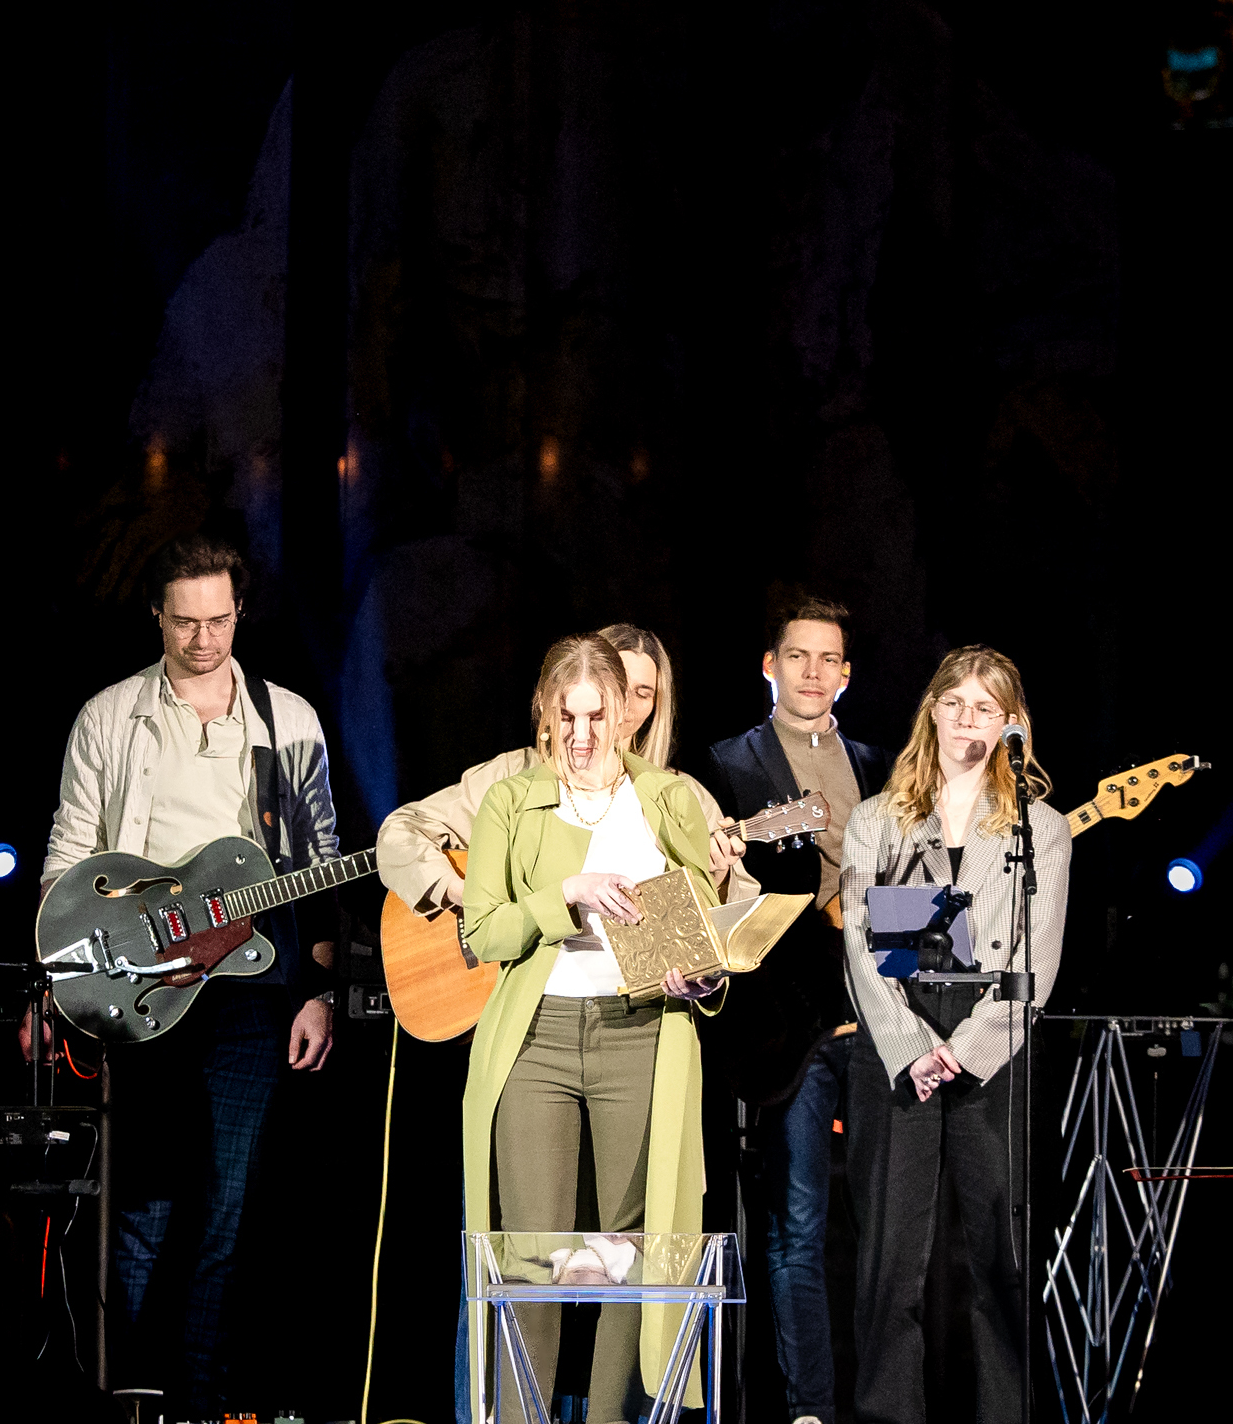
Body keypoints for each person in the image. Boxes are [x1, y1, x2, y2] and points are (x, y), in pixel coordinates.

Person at [40, 534, 341, 1412]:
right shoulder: (110, 716)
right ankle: (128, 1396)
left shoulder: (288, 720)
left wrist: (318, 988)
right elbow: (68, 856)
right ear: (157, 616)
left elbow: (318, 861)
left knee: (229, 1206)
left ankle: (203, 1401)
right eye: (185, 622)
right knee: (144, 1203)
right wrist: (64, 979)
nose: (204, 639)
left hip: (252, 981)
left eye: (219, 620)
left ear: (240, 612)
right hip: (142, 978)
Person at [461, 635, 728, 1424]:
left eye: (597, 716)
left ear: (625, 713)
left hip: (641, 1034)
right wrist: (567, 894)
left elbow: (705, 932)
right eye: (566, 716)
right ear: (544, 711)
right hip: (537, 1039)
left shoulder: (668, 798)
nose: (580, 735)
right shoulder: (511, 801)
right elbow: (482, 930)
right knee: (533, 1253)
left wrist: (702, 975)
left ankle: (611, 1417)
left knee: (631, 1255)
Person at [838, 646, 1070, 1424]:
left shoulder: (1040, 829)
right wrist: (913, 1048)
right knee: (889, 1259)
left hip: (993, 1047)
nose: (968, 718)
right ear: (932, 709)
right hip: (898, 1039)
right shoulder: (877, 819)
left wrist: (965, 1051)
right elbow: (861, 945)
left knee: (1003, 1258)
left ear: (1011, 723)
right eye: (955, 702)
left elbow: (1036, 962)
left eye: (986, 707)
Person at [699, 596, 888, 1424]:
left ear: (846, 675)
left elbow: (913, 896)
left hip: (880, 1021)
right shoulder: (725, 764)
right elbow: (716, 904)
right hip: (788, 1025)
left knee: (890, 1227)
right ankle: (809, 1408)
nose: (814, 672)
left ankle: (888, 1401)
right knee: (797, 1225)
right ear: (769, 665)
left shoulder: (882, 766)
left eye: (829, 659)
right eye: (798, 656)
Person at [377, 621, 747, 914]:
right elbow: (400, 832)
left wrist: (717, 876)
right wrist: (467, 896)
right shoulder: (515, 776)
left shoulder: (680, 794)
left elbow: (726, 928)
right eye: (615, 684)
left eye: (642, 692)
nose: (625, 705)